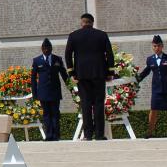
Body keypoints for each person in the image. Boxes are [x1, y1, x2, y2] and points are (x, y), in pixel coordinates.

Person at [65, 13, 115, 141]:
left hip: (82, 75)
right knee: (98, 104)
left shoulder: (74, 35)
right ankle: (99, 134)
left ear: (82, 22)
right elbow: (109, 54)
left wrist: (71, 73)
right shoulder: (101, 35)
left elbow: (68, 55)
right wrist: (110, 72)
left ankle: (87, 134)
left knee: (86, 104)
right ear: (92, 22)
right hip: (98, 73)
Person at [137, 35, 167, 138]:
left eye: (158, 46)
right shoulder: (150, 59)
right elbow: (146, 72)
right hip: (156, 89)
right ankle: (150, 132)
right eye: (154, 46)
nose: (156, 48)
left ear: (162, 46)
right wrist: (136, 79)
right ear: (152, 47)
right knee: (153, 110)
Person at [31, 39, 68, 141]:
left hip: (55, 91)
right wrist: (35, 94)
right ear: (42, 49)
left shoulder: (57, 59)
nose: (46, 50)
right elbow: (33, 78)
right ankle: (49, 135)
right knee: (46, 114)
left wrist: (71, 88)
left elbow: (64, 75)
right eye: (44, 48)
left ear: (51, 48)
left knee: (55, 113)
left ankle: (56, 135)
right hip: (43, 92)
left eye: (48, 48)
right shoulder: (37, 60)